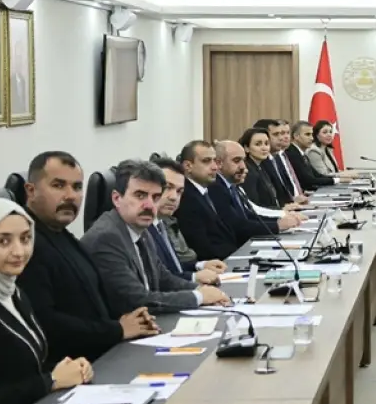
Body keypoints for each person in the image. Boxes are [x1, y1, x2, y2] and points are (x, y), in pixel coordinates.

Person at [0, 198, 93, 404]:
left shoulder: (10, 288)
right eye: (3, 241)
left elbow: (30, 364)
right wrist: (52, 381)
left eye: (26, 239)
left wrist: (72, 367)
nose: (19, 251)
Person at [17, 151, 158, 363]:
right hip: (73, 368)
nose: (70, 196)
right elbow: (46, 323)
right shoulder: (26, 246)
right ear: (31, 191)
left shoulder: (61, 234)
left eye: (77, 187)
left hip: (101, 356)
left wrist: (128, 320)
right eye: (58, 185)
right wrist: (117, 329)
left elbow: (90, 301)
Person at [82, 159, 231, 315]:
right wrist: (198, 297)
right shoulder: (106, 237)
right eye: (140, 195)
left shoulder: (140, 228)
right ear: (117, 198)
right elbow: (136, 300)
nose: (149, 205)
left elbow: (163, 278)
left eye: (155, 197)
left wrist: (202, 290)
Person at [150, 156, 226, 280]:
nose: (174, 197)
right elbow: (160, 279)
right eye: (168, 187)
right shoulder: (144, 230)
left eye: (179, 191)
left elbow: (173, 267)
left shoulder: (161, 224)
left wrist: (200, 265)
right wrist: (194, 277)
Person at [287, 120, 342, 190]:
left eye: (311, 134)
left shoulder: (301, 153)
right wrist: (337, 180)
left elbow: (317, 175)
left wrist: (338, 179)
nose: (312, 138)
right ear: (296, 136)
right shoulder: (292, 153)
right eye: (307, 134)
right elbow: (309, 180)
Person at [238, 126, 281, 209]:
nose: (264, 148)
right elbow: (255, 206)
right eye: (258, 144)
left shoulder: (262, 166)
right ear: (246, 148)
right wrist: (281, 210)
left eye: (266, 143)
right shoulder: (248, 171)